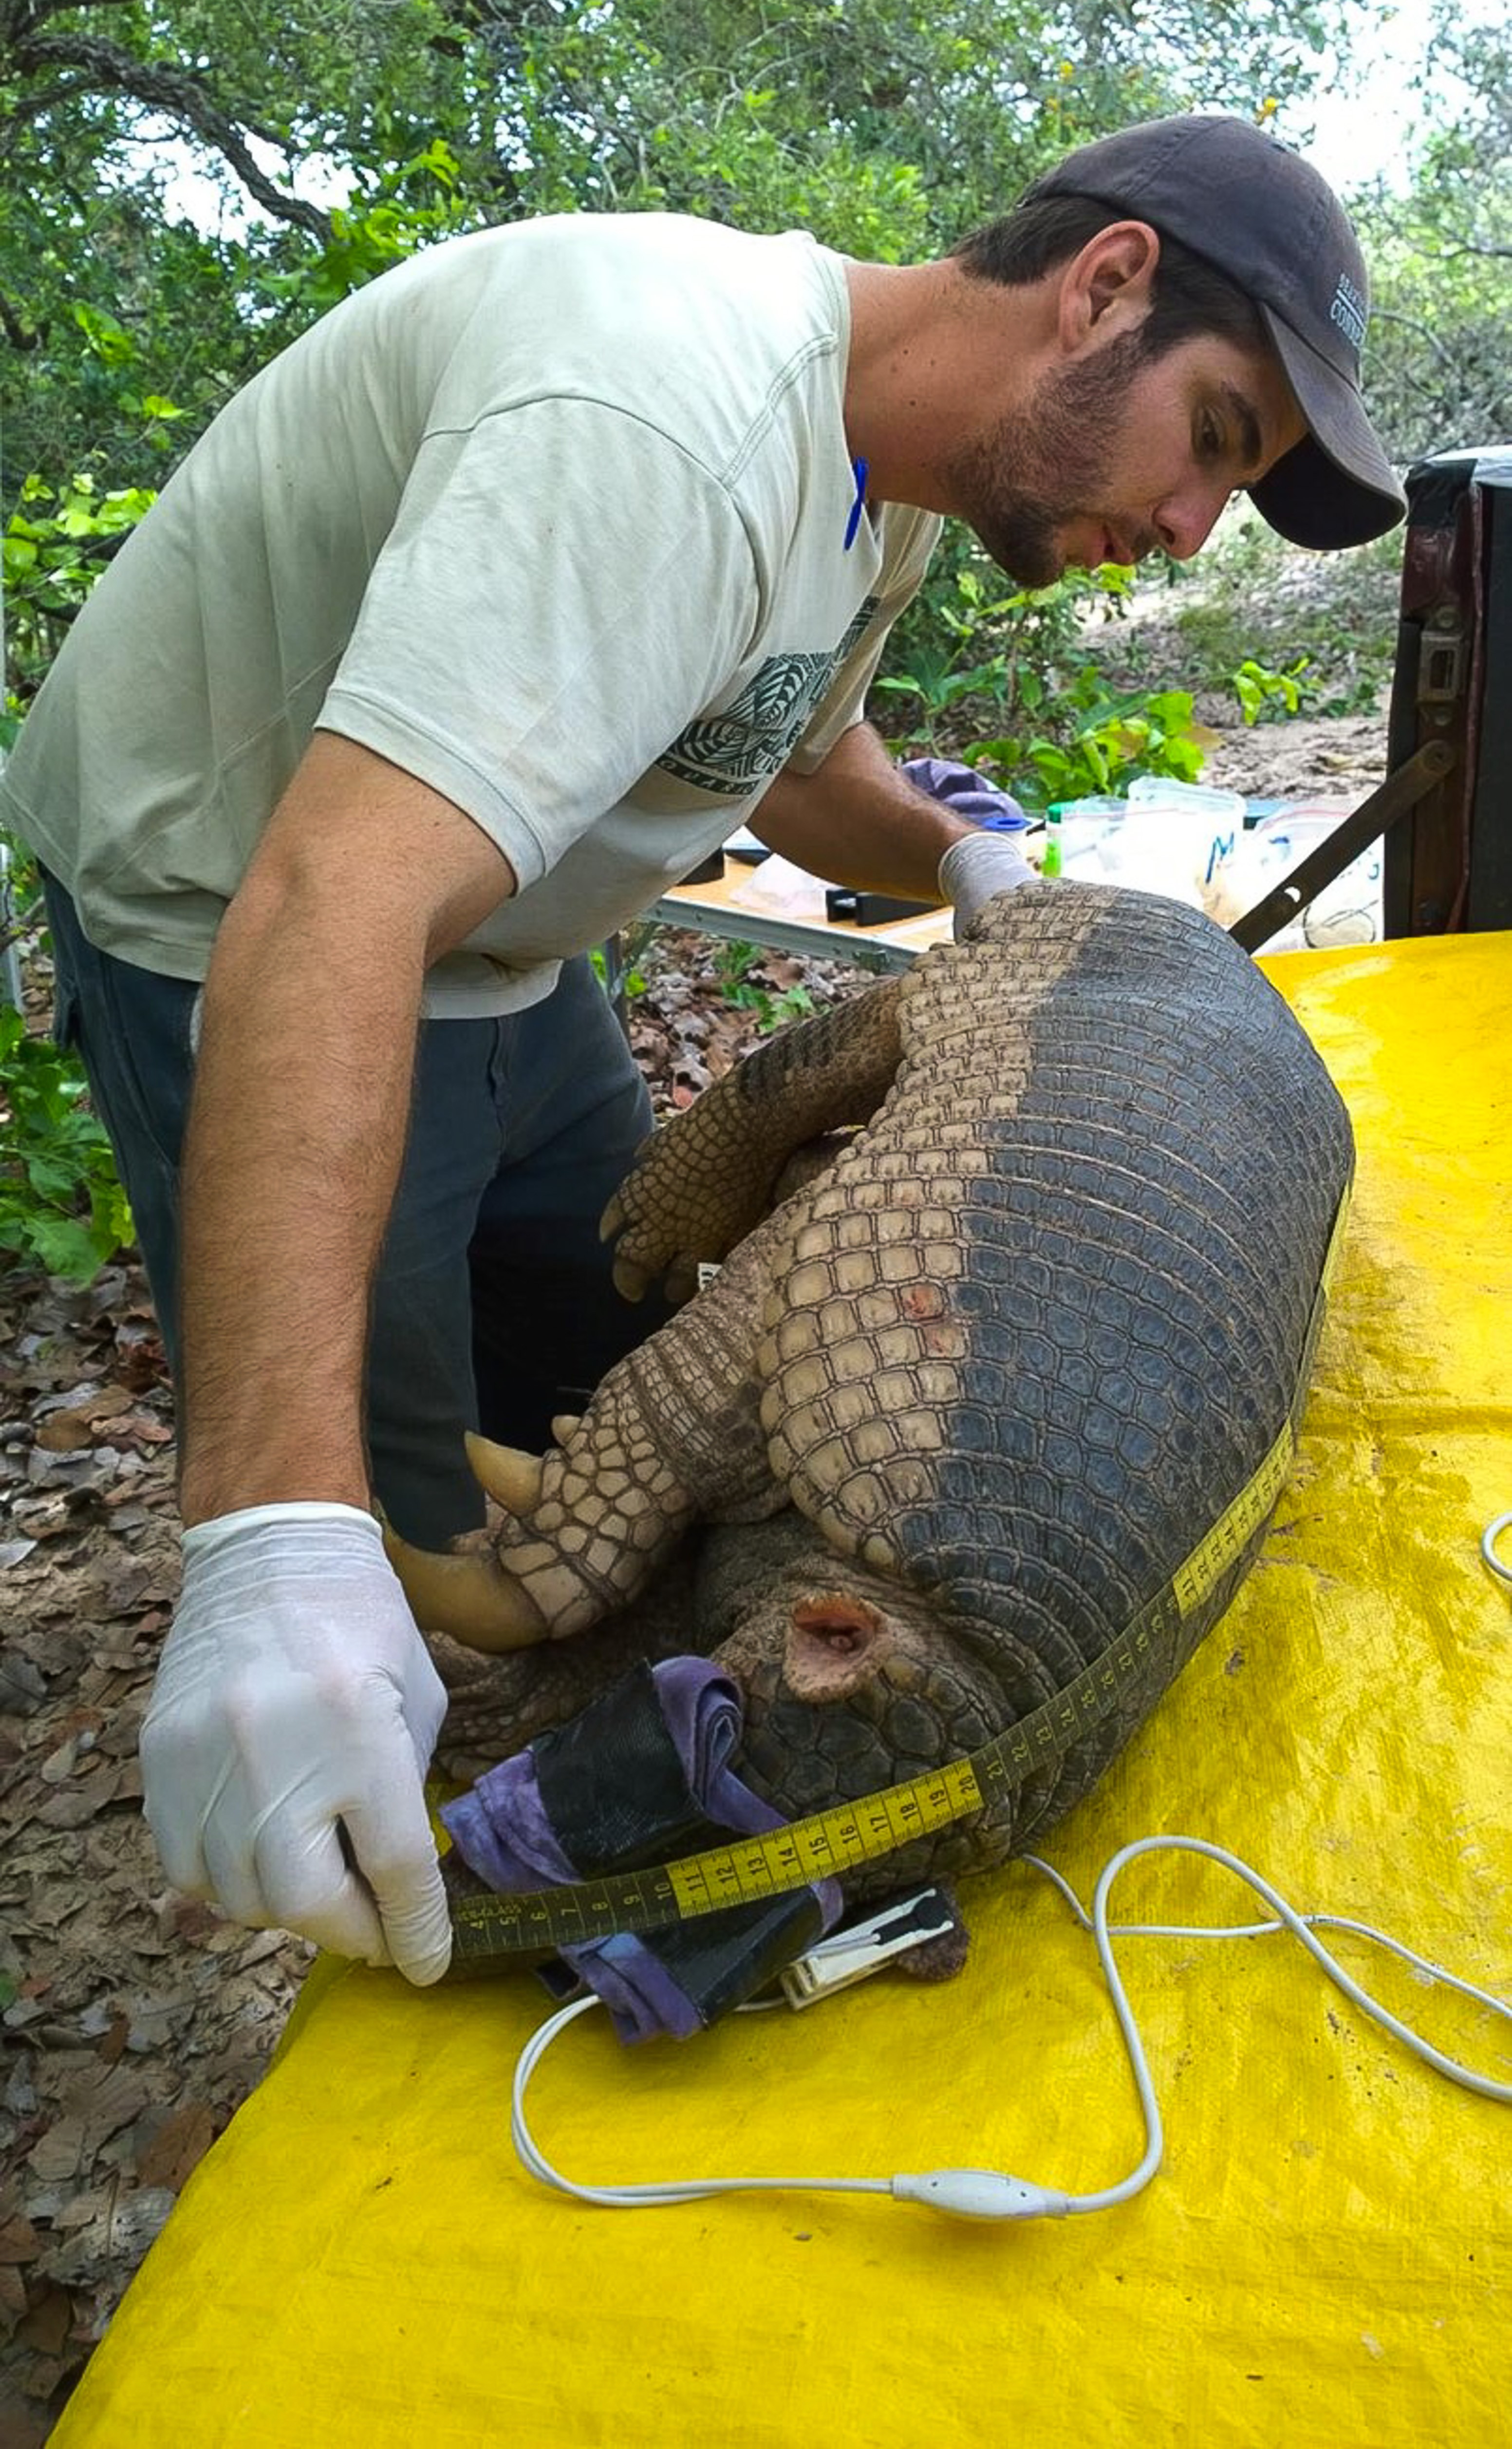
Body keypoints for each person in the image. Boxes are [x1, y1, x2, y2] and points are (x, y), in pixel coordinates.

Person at [0, 112, 1404, 1985]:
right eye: (1214, 441)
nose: (1181, 527)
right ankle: (404, 1849)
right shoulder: (660, 411)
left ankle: (660, 1709)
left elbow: (796, 760)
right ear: (1105, 286)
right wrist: (269, 1522)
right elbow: (331, 897)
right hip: (248, 944)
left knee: (631, 1376)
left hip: (510, 959)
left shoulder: (886, 470)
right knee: (398, 1531)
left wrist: (963, 860)